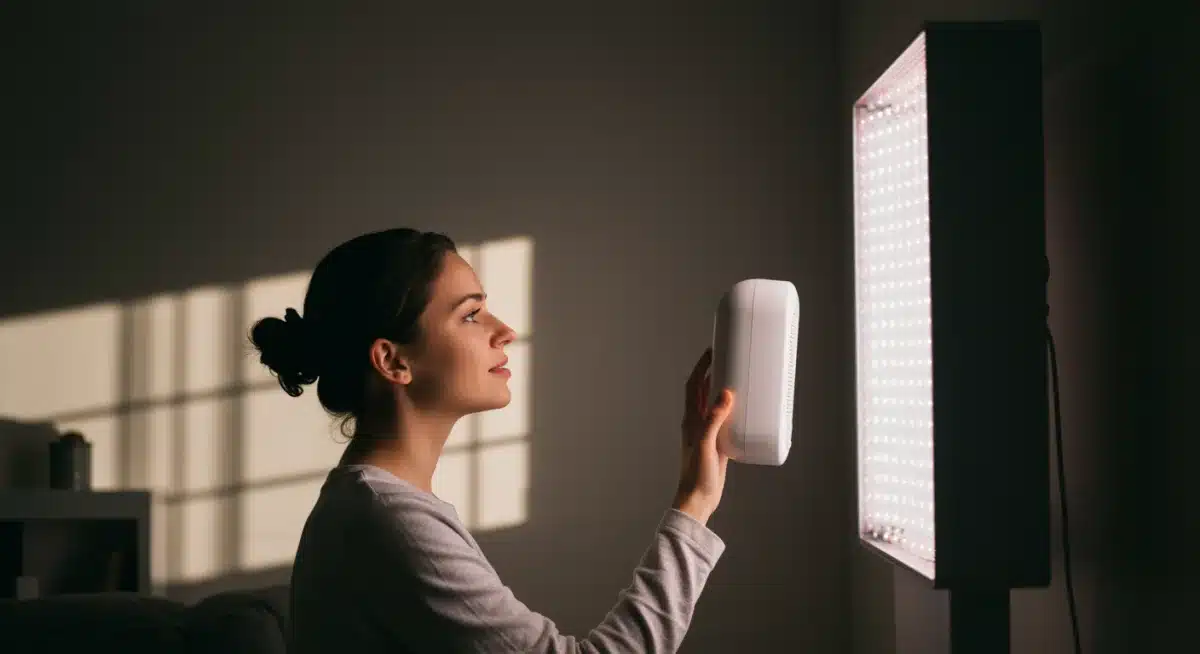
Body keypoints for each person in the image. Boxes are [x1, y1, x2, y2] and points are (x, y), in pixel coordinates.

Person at [251, 228, 736, 653]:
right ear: (393, 361)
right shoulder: (388, 521)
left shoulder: (368, 507)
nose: (504, 331)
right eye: (470, 315)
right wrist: (694, 504)